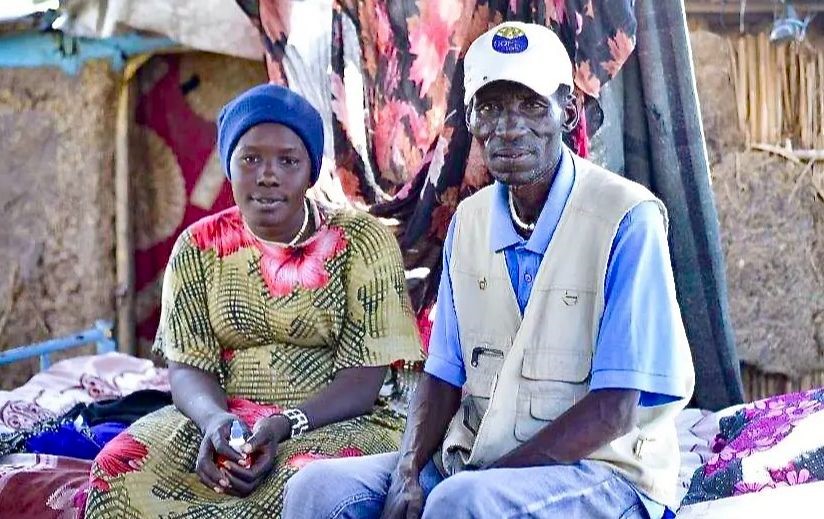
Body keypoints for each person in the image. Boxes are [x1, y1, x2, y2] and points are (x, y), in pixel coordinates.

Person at [282, 21, 695, 519]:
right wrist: (409, 475)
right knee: (316, 491)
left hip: (605, 472)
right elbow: (442, 375)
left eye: (531, 105)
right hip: (475, 459)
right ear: (470, 119)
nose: (508, 127)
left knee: (461, 503)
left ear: (569, 111)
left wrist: (481, 483)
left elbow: (615, 408)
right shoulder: (470, 222)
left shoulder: (627, 217)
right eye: (491, 107)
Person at [84, 84, 422, 518]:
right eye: (250, 159)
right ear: (229, 165)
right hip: (229, 419)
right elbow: (188, 367)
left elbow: (363, 382)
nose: (268, 175)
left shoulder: (360, 241)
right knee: (117, 469)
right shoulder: (198, 245)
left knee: (299, 486)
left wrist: (284, 424)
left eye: (287, 160)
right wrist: (214, 422)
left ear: (310, 171)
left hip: (336, 422)